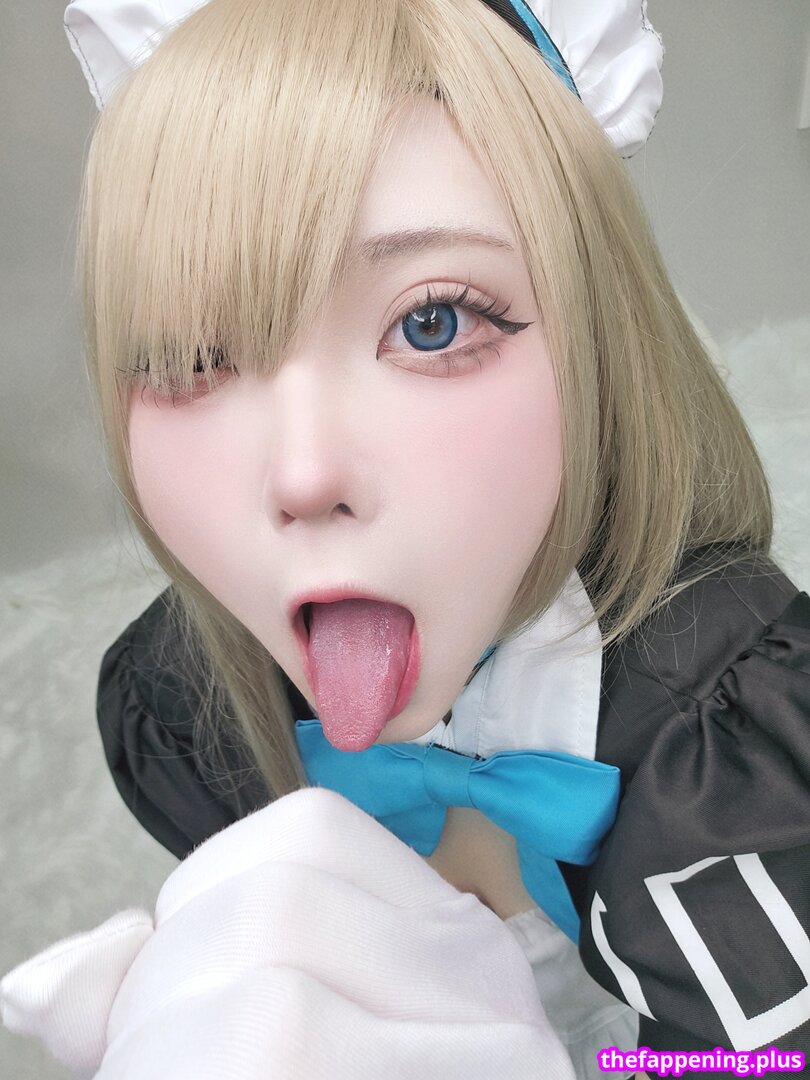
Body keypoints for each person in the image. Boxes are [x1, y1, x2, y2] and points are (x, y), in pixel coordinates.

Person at [4, 0, 809, 1077]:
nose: (302, 474)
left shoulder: (740, 750)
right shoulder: (181, 707)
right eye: (191, 355)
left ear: (601, 336)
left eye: (434, 321)